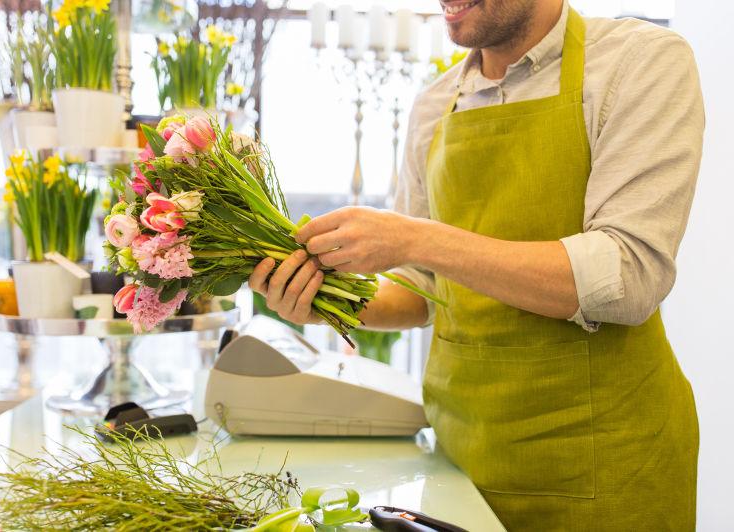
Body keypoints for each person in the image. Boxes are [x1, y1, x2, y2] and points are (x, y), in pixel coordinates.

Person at [249, 0, 704, 529]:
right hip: (462, 461)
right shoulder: (434, 104)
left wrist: (417, 239)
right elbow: (420, 289)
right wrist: (324, 301)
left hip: (609, 462)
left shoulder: (639, 61)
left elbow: (628, 276)